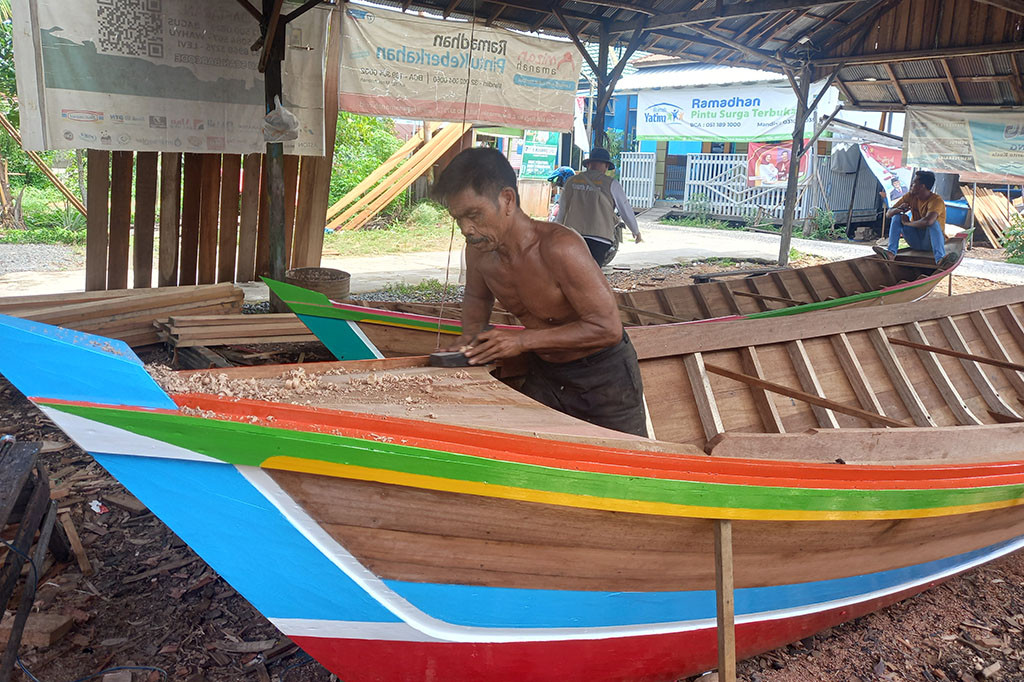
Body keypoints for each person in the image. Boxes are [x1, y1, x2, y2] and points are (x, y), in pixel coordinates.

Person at [432, 147, 648, 437]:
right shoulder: (480, 252)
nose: (466, 229)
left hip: (604, 379)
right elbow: (477, 297)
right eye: (458, 219)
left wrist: (523, 340)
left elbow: (607, 328)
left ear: (507, 199)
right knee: (527, 457)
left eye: (474, 215)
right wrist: (470, 342)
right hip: (546, 372)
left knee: (627, 467)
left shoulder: (559, 248)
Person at [556, 147, 641, 265]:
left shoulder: (571, 181)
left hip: (572, 237)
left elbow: (562, 211)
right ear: (606, 166)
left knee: (570, 273)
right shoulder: (612, 184)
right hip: (599, 238)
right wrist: (635, 231)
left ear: (589, 164)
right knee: (591, 273)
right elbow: (625, 209)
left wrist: (556, 232)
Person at [874, 170, 957, 268]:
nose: (911, 186)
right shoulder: (910, 196)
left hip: (930, 242)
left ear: (922, 186)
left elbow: (928, 221)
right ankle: (891, 253)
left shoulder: (936, 200)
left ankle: (940, 259)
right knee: (897, 216)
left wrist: (907, 223)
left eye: (914, 183)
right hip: (916, 241)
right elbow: (889, 214)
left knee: (933, 223)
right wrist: (899, 209)